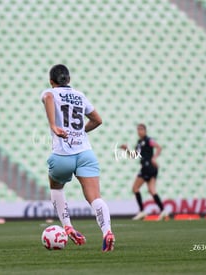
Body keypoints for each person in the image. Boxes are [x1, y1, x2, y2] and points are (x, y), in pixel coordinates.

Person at [41, 64, 115, 252]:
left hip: (62, 155)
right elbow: (98, 120)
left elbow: (48, 97)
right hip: (85, 154)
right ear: (69, 80)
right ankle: (107, 231)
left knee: (56, 187)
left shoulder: (50, 92)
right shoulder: (80, 95)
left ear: (52, 81)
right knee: (95, 198)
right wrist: (80, 131)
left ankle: (67, 226)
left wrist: (53, 126)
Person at [121, 124, 168, 220]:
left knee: (135, 188)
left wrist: (154, 158)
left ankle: (142, 211)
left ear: (145, 131)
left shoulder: (148, 140)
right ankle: (163, 211)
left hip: (148, 167)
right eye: (138, 129)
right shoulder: (139, 142)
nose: (139, 131)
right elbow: (134, 155)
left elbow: (158, 147)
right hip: (150, 168)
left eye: (141, 129)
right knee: (152, 190)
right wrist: (126, 150)